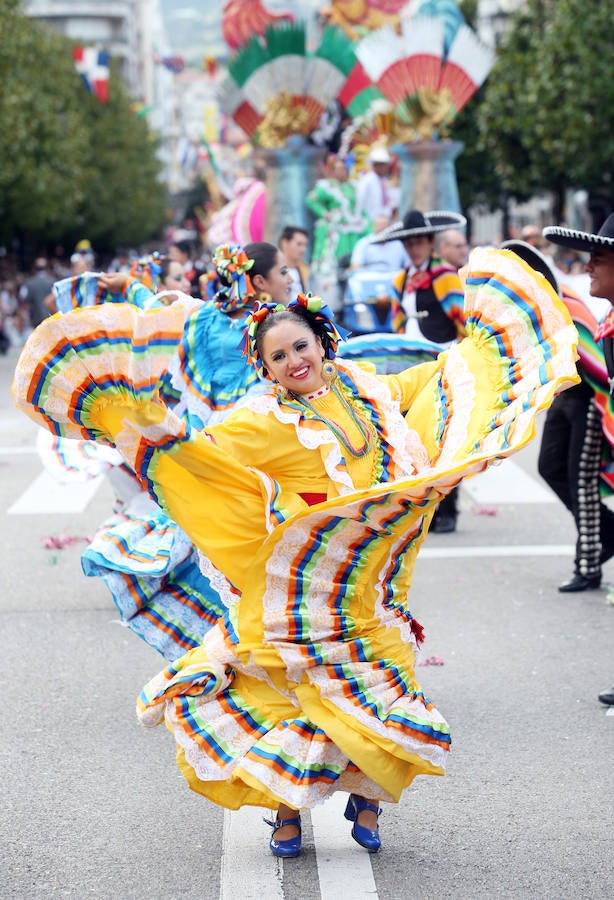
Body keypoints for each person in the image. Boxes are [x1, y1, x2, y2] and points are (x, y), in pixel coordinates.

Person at [13, 248, 579, 856]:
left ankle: (367, 800)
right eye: (278, 357)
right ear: (266, 369)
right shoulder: (262, 421)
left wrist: (472, 357)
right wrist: (140, 427)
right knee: (280, 686)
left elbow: (418, 386)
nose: (294, 362)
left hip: (372, 578)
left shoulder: (362, 386)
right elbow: (203, 452)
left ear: (323, 341)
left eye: (301, 347)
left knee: (380, 681)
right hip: (302, 584)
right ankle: (283, 810)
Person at [542, 214, 614, 705]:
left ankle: (592, 556)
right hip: (571, 401)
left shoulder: (576, 309)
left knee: (582, 482)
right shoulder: (608, 317)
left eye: (599, 260)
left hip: (587, 404)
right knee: (556, 470)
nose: (588, 269)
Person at [372, 209, 467, 533]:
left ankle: (449, 509)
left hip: (440, 366)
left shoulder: (444, 276)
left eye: (418, 242)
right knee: (411, 437)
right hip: (407, 370)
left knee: (442, 438)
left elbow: (462, 322)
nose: (413, 249)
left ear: (430, 242)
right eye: (408, 243)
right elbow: (397, 327)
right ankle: (422, 505)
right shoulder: (400, 280)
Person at [306, 154, 371, 311]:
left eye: (344, 169)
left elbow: (360, 209)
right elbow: (311, 200)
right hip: (336, 233)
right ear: (332, 170)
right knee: (332, 266)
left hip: (353, 232)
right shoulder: (326, 186)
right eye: (338, 169)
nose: (342, 172)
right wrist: (325, 214)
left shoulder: (352, 187)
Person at [355, 145, 397, 220]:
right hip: (370, 221)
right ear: (376, 165)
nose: (386, 168)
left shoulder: (384, 180)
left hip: (384, 220)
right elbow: (360, 201)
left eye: (386, 165)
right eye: (383, 165)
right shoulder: (367, 181)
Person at [278, 226, 310, 300]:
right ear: (284, 243)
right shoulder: (277, 270)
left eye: (305, 245)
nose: (303, 249)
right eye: (299, 244)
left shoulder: (305, 270)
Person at [22, 258, 54, 328]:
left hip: (35, 320)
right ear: (47, 268)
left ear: (34, 268)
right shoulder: (53, 282)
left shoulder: (29, 283)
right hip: (50, 319)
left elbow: (24, 299)